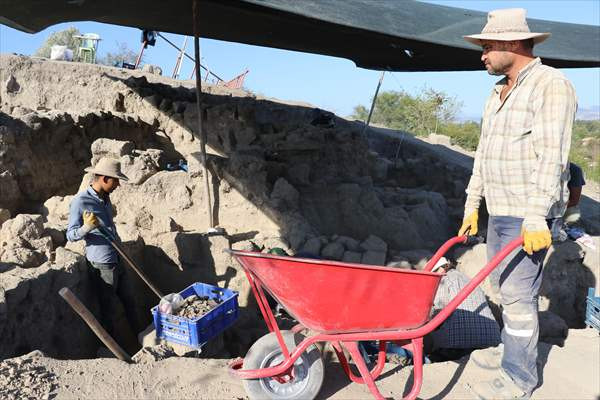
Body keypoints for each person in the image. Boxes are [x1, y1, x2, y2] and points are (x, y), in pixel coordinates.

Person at [459, 8, 577, 399]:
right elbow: (484, 152)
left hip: (529, 214)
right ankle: (514, 353)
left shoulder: (550, 85)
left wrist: (536, 216)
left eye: (488, 47)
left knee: (518, 296)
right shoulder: (498, 92)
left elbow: (552, 156)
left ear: (512, 44)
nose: (483, 55)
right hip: (501, 208)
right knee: (506, 288)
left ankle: (519, 378)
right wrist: (472, 204)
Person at [66, 157, 138, 352]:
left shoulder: (105, 197)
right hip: (102, 264)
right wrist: (86, 228)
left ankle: (140, 339)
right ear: (105, 179)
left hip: (117, 257)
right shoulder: (81, 202)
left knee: (130, 300)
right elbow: (71, 235)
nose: (118, 185)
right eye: (116, 181)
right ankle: (113, 349)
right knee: (110, 309)